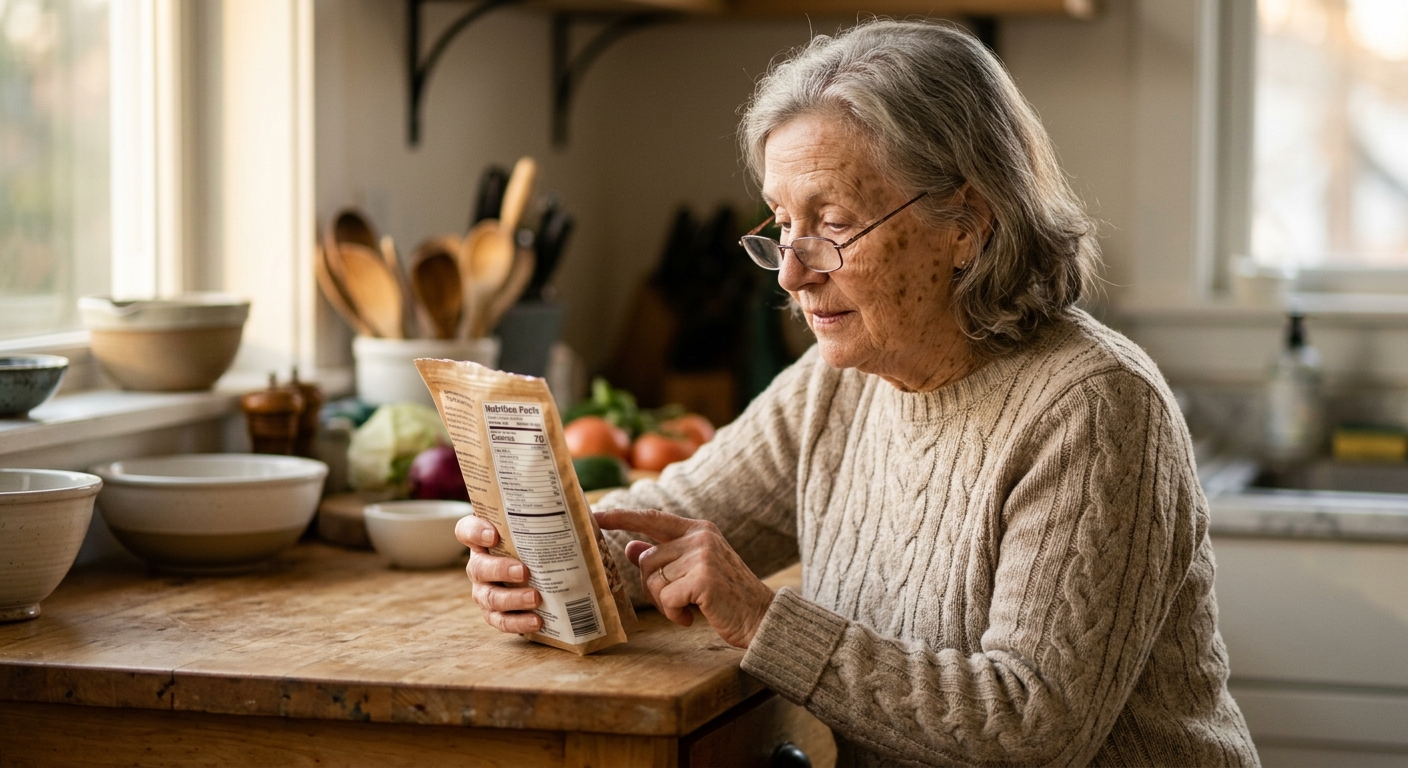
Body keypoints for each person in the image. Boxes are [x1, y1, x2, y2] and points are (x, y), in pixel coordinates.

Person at [456, 19, 1260, 766]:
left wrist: (764, 620)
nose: (795, 273)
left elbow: (1032, 726)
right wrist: (550, 558)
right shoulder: (834, 385)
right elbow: (666, 518)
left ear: (966, 226)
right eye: (780, 225)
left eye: (832, 223)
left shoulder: (1093, 407)